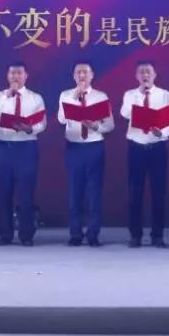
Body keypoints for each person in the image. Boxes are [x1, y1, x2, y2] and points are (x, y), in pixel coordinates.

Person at [0, 61, 47, 246]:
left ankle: (26, 235)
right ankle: (5, 234)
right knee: (3, 191)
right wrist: (6, 97)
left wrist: (30, 128)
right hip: (3, 147)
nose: (15, 77)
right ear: (7, 76)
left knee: (26, 192)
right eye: (12, 73)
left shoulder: (35, 98)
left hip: (26, 147)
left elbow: (42, 123)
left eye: (19, 73)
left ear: (26, 76)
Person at [57, 61, 114, 247]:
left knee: (94, 193)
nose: (82, 75)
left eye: (85, 72)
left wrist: (96, 126)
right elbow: (61, 119)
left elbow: (110, 125)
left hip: (94, 147)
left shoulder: (101, 96)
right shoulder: (66, 95)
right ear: (73, 76)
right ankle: (75, 234)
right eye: (78, 72)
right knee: (75, 192)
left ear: (92, 75)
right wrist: (75, 98)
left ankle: (93, 234)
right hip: (74, 147)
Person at [119, 61, 169, 248]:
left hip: (157, 147)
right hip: (136, 147)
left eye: (148, 72)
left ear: (154, 75)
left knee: (158, 192)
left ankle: (157, 235)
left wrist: (162, 132)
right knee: (134, 192)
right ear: (136, 76)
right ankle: (135, 235)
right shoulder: (130, 95)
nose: (145, 75)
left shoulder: (165, 95)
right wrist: (139, 99)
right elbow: (125, 113)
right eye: (141, 72)